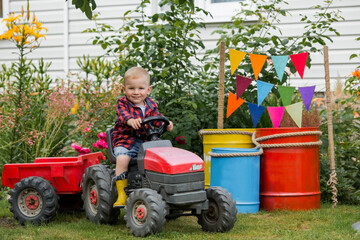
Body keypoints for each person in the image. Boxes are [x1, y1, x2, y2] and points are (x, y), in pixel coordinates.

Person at [112, 67, 173, 207]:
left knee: (163, 156)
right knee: (122, 159)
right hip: (125, 141)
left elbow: (157, 119)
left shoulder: (151, 104)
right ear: (124, 89)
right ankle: (122, 193)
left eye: (140, 88)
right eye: (131, 88)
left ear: (148, 90)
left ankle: (163, 187)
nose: (136, 92)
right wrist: (130, 121)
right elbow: (123, 115)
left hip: (145, 141)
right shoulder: (122, 103)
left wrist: (167, 123)